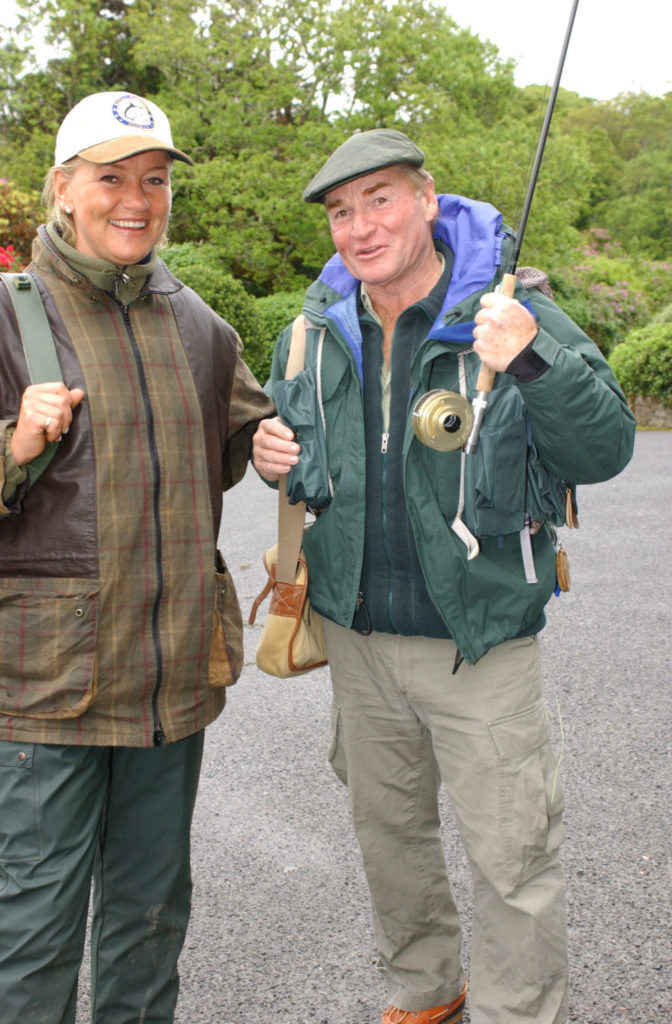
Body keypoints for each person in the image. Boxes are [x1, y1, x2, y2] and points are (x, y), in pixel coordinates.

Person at [252, 129, 636, 1024]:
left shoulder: (510, 310)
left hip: (481, 644)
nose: (359, 226)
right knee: (391, 845)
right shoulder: (309, 334)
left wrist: (532, 359)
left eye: (379, 199)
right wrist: (275, 458)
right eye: (342, 212)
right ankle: (425, 995)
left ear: (428, 200)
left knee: (513, 859)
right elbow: (305, 464)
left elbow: (608, 446)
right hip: (356, 638)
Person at [0, 91, 274, 1024]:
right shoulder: (6, 317)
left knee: (150, 923)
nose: (135, 198)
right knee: (31, 934)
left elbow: (250, 435)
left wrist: (276, 443)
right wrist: (14, 448)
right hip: (45, 697)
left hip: (170, 685)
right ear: (63, 189)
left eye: (153, 180)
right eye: (110, 177)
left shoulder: (200, 326)